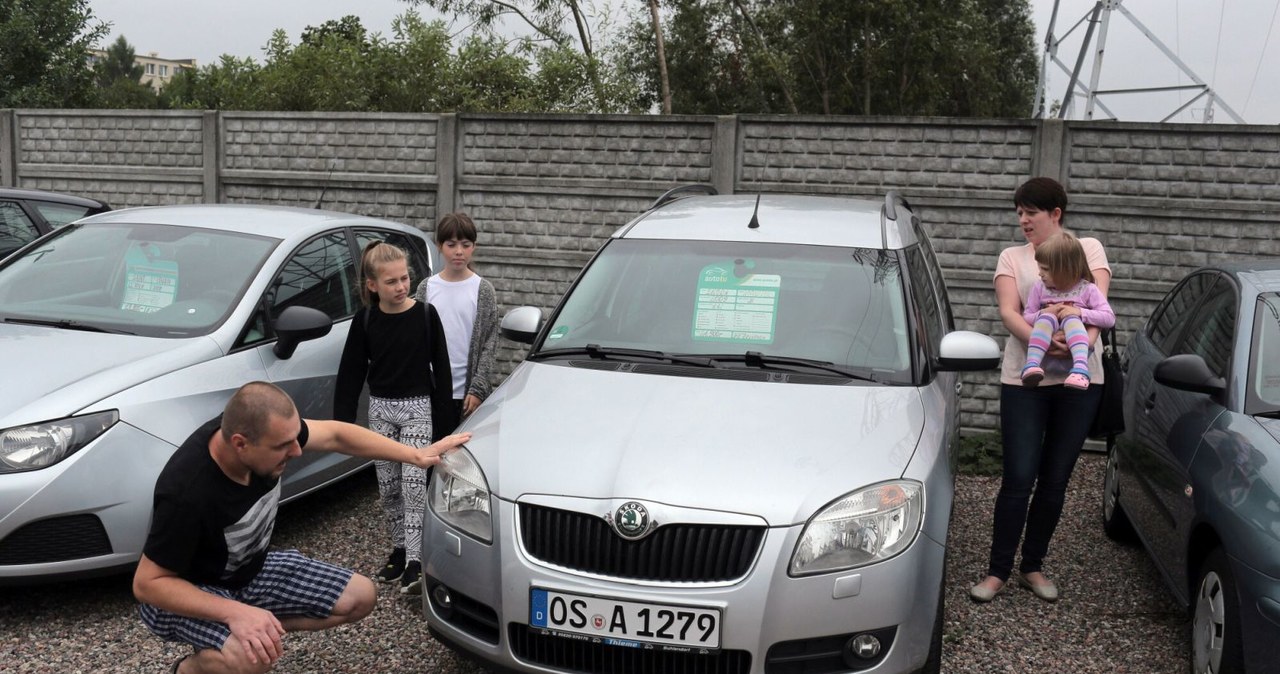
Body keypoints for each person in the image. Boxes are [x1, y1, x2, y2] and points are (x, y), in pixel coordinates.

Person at [133, 381, 471, 674]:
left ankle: (256, 627)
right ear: (240, 444)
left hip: (247, 573)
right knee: (251, 658)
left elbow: (338, 434)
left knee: (360, 597)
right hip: (187, 590)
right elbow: (149, 585)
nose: (297, 451)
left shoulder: (267, 433)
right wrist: (236, 614)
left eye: (296, 438)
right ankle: (190, 669)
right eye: (283, 447)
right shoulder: (186, 494)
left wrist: (415, 455)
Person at [970, 177, 1111, 604]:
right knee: (1017, 478)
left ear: (1056, 214)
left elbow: (1098, 305)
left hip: (1080, 381)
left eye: (1031, 211)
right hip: (1024, 379)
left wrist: (1076, 341)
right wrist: (1045, 339)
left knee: (1055, 481)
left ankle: (1032, 565)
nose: (1023, 219)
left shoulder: (1089, 248)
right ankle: (997, 571)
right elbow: (1009, 312)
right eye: (1019, 212)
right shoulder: (1012, 257)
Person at [333, 242, 458, 596]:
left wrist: (444, 422)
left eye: (405, 278)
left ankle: (417, 561)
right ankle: (401, 548)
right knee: (389, 488)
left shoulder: (425, 316)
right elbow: (352, 371)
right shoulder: (366, 320)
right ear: (372, 285)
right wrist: (342, 424)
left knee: (414, 486)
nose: (401, 286)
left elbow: (443, 370)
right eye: (392, 282)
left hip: (418, 407)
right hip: (381, 411)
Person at [413, 212, 500, 421]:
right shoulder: (426, 288)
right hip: (430, 393)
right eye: (451, 245)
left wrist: (478, 387)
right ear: (439, 246)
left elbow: (490, 343)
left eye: (465, 244)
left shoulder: (483, 289)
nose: (459, 251)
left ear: (474, 246)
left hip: (467, 396)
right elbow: (415, 338)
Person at [1019, 231, 1115, 389]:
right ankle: (1032, 365)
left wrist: (1080, 313)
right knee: (1046, 319)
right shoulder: (1039, 287)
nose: (1039, 273)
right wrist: (1045, 312)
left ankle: (1080, 370)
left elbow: (1109, 318)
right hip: (1046, 355)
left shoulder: (1087, 289)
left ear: (1065, 269)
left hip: (1074, 354)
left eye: (1046, 269)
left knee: (1071, 319)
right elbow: (1027, 317)